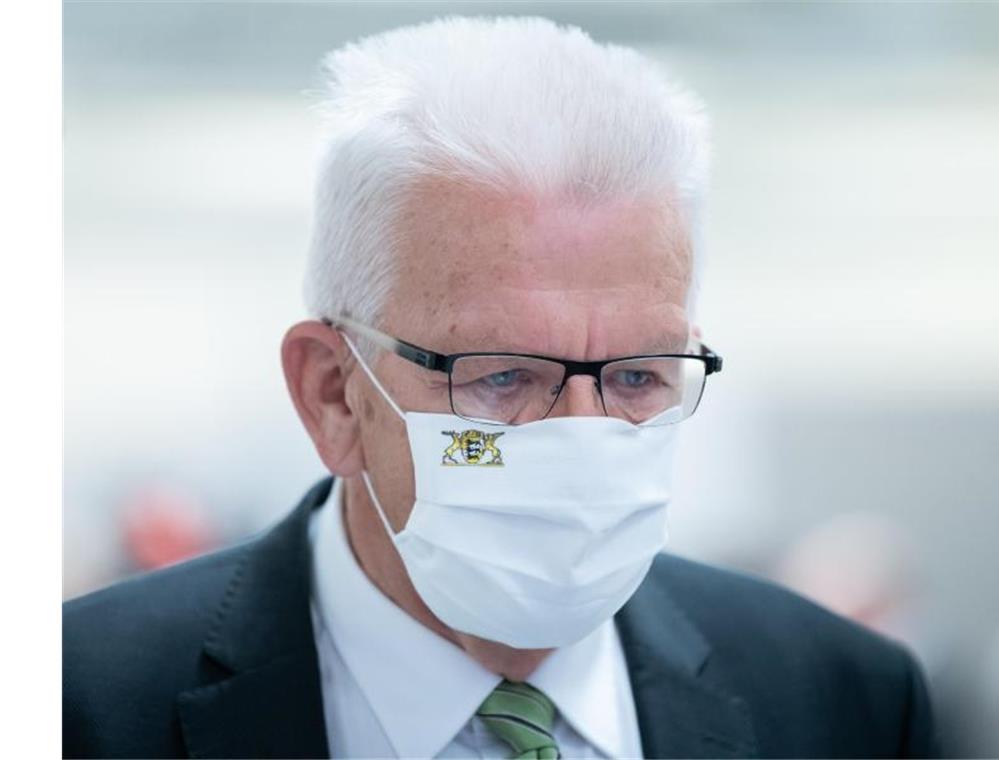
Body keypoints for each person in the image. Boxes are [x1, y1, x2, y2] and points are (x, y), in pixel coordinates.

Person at [63, 16, 938, 759]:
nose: (583, 438)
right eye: (503, 377)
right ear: (334, 393)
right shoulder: (78, 705)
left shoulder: (843, 699)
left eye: (638, 376)